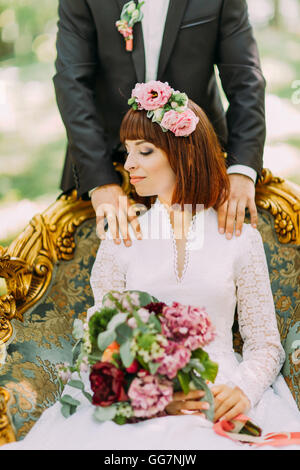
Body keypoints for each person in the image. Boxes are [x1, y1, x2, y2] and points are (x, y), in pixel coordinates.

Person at [2, 83, 299, 451]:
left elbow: (266, 344)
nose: (128, 165)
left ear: (184, 154)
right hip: (139, 404)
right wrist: (148, 397)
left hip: (222, 393)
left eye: (144, 151)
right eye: (127, 152)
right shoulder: (122, 236)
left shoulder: (238, 236)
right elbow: (99, 344)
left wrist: (243, 391)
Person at [53, 0, 266, 245]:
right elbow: (71, 83)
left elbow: (246, 80)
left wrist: (241, 170)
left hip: (199, 164)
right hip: (108, 164)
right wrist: (100, 180)